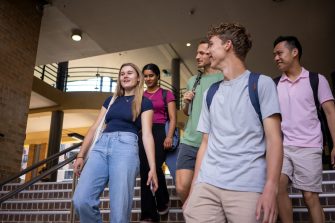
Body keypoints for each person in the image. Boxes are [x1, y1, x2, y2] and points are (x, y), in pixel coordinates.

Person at [183, 22, 283, 223]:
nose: (207, 51)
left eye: (211, 44)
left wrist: (271, 188)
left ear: (227, 45)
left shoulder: (261, 84)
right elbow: (205, 143)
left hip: (247, 187)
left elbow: (274, 141)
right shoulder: (211, 92)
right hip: (207, 185)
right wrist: (194, 188)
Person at [72, 63, 158, 223]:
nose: (125, 76)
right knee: (81, 200)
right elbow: (94, 127)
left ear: (138, 78)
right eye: (122, 73)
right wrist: (81, 155)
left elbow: (147, 135)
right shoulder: (110, 100)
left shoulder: (145, 103)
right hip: (101, 147)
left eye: (130, 73)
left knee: (119, 213)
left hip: (125, 148)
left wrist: (153, 167)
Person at [273, 36, 335, 223]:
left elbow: (331, 112)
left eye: (279, 53)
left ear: (294, 52)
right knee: (278, 186)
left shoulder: (317, 80)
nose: (276, 58)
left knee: (309, 196)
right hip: (283, 147)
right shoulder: (274, 84)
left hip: (309, 146)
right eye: (274, 54)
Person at [175, 40, 223, 203]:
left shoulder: (224, 77)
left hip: (213, 142)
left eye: (202, 53)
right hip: (190, 140)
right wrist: (187, 102)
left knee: (207, 187)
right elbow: (187, 112)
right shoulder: (192, 80)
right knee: (182, 187)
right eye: (197, 53)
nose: (197, 57)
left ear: (212, 54)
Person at [139, 63, 177, 222]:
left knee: (156, 166)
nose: (148, 79)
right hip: (144, 132)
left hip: (161, 131)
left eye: (151, 75)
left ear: (157, 76)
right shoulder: (140, 96)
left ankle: (162, 200)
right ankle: (148, 214)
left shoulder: (166, 94)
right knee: (144, 170)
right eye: (145, 76)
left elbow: (173, 118)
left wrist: (169, 136)